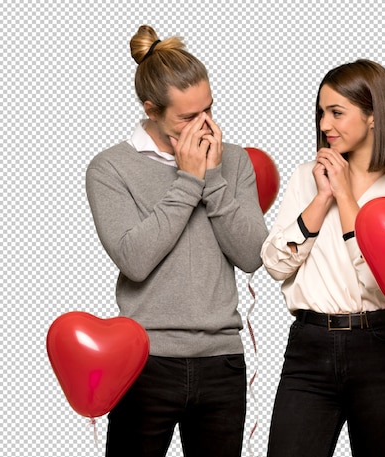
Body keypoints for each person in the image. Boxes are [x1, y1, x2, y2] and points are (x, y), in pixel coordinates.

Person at [85, 25, 268, 457]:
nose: (204, 126)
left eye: (208, 109)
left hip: (222, 361)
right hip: (144, 362)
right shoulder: (110, 168)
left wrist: (215, 178)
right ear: (151, 108)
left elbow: (250, 255)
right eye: (188, 117)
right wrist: (189, 180)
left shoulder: (233, 160)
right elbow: (134, 259)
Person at [261, 59, 385, 457]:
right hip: (308, 347)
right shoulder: (307, 176)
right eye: (321, 112)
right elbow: (274, 264)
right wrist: (321, 197)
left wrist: (344, 198)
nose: (325, 124)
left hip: (381, 352)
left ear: (374, 115)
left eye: (337, 112)